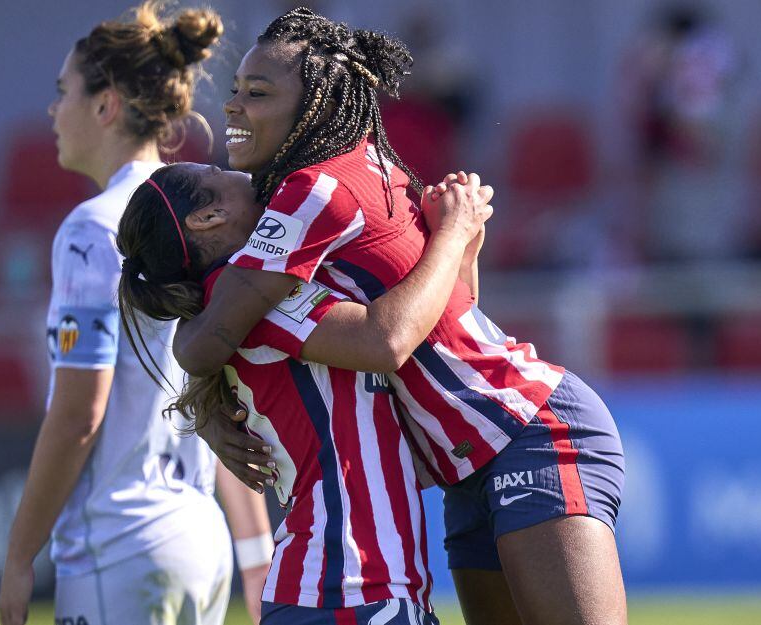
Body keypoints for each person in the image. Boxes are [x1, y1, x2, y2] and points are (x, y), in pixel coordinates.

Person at [170, 9, 627, 625]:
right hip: (469, 460)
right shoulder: (365, 168)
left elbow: (210, 340)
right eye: (234, 92)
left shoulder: (310, 191)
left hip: (530, 431)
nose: (232, 109)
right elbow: (454, 313)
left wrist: (201, 389)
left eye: (257, 94)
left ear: (318, 107)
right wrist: (460, 243)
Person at [116, 161, 494, 623]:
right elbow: (389, 339)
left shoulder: (237, 304)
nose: (242, 171)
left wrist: (462, 253)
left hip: (344, 587)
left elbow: (423, 363)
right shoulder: (255, 296)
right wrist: (451, 235)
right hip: (347, 585)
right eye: (217, 171)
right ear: (208, 217)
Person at [0, 4, 271, 624]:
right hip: (201, 540)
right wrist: (255, 553)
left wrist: (18, 556)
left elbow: (78, 415)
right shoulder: (200, 207)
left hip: (117, 546)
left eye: (63, 91)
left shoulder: (93, 229)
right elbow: (223, 389)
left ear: (105, 105)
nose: (53, 110)